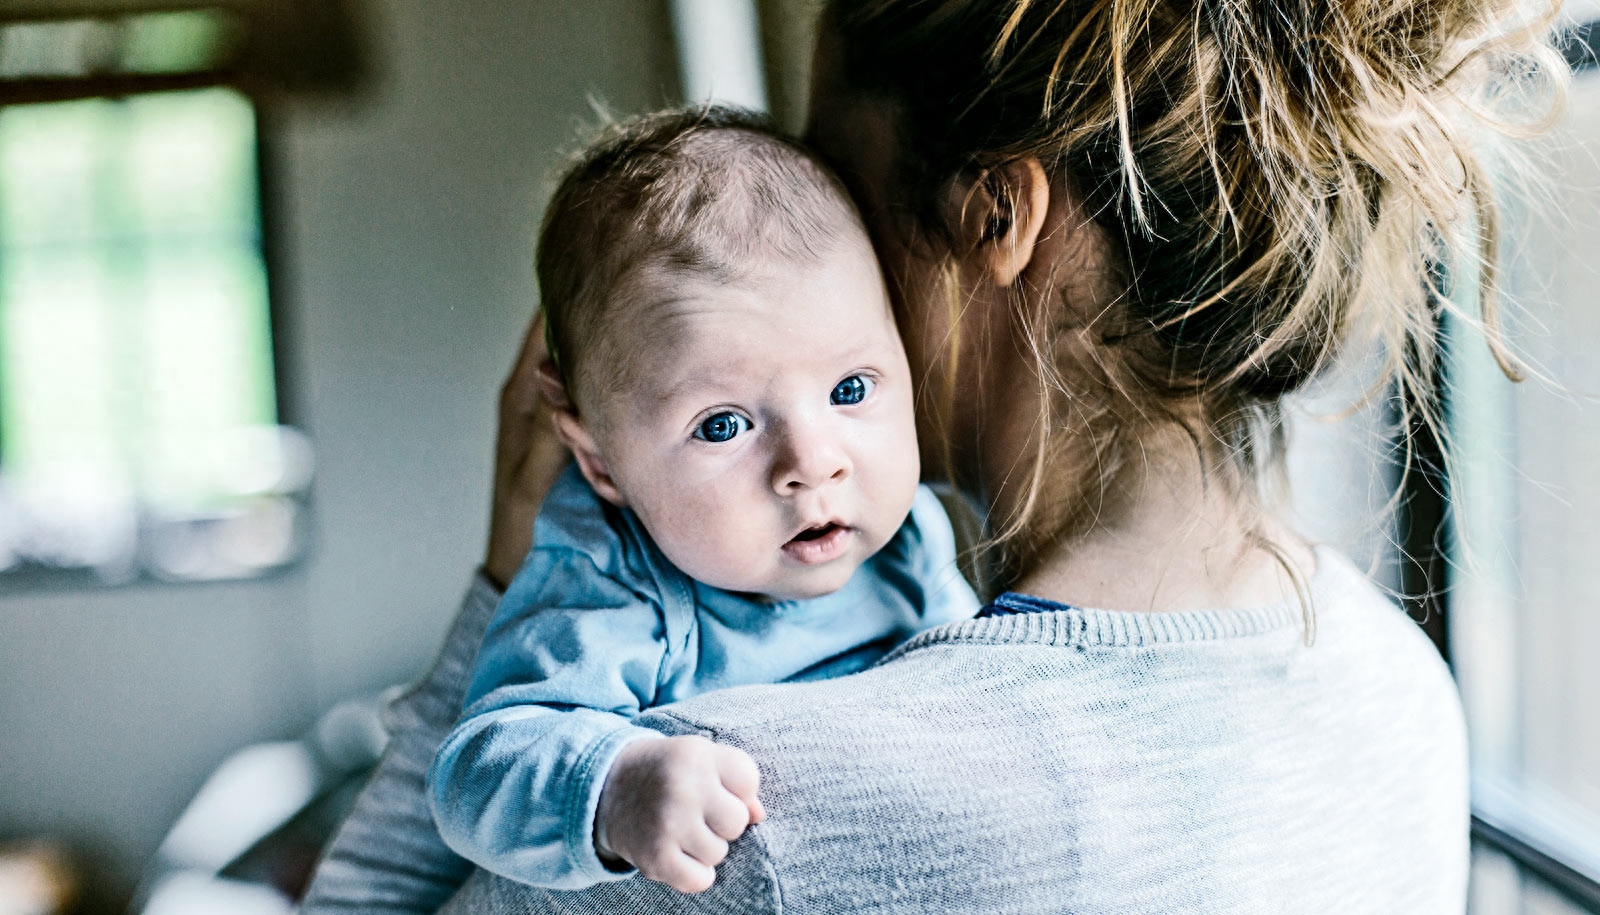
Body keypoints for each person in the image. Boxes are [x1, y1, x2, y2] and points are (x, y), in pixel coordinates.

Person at [301, 0, 1566, 910]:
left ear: (994, 215)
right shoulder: (1399, 690)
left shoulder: (744, 810)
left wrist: (497, 588)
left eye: (830, 188)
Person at [424, 108, 977, 895]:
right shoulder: (615, 577)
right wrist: (615, 785)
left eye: (850, 389)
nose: (812, 463)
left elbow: (970, 694)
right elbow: (477, 770)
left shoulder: (908, 538)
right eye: (723, 424)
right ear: (599, 459)